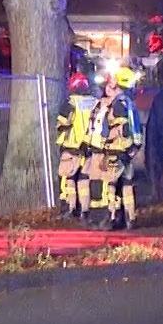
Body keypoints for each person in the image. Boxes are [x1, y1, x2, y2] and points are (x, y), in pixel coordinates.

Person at [86, 66, 143, 229]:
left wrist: (105, 142)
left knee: (107, 185)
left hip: (117, 150)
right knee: (125, 185)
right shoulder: (127, 102)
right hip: (127, 151)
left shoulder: (118, 104)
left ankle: (108, 219)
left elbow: (121, 130)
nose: (111, 82)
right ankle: (128, 219)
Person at [55, 78, 96, 219]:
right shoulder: (95, 102)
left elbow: (63, 122)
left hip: (72, 146)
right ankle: (85, 209)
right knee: (84, 179)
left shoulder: (71, 102)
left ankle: (69, 208)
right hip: (90, 148)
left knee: (67, 178)